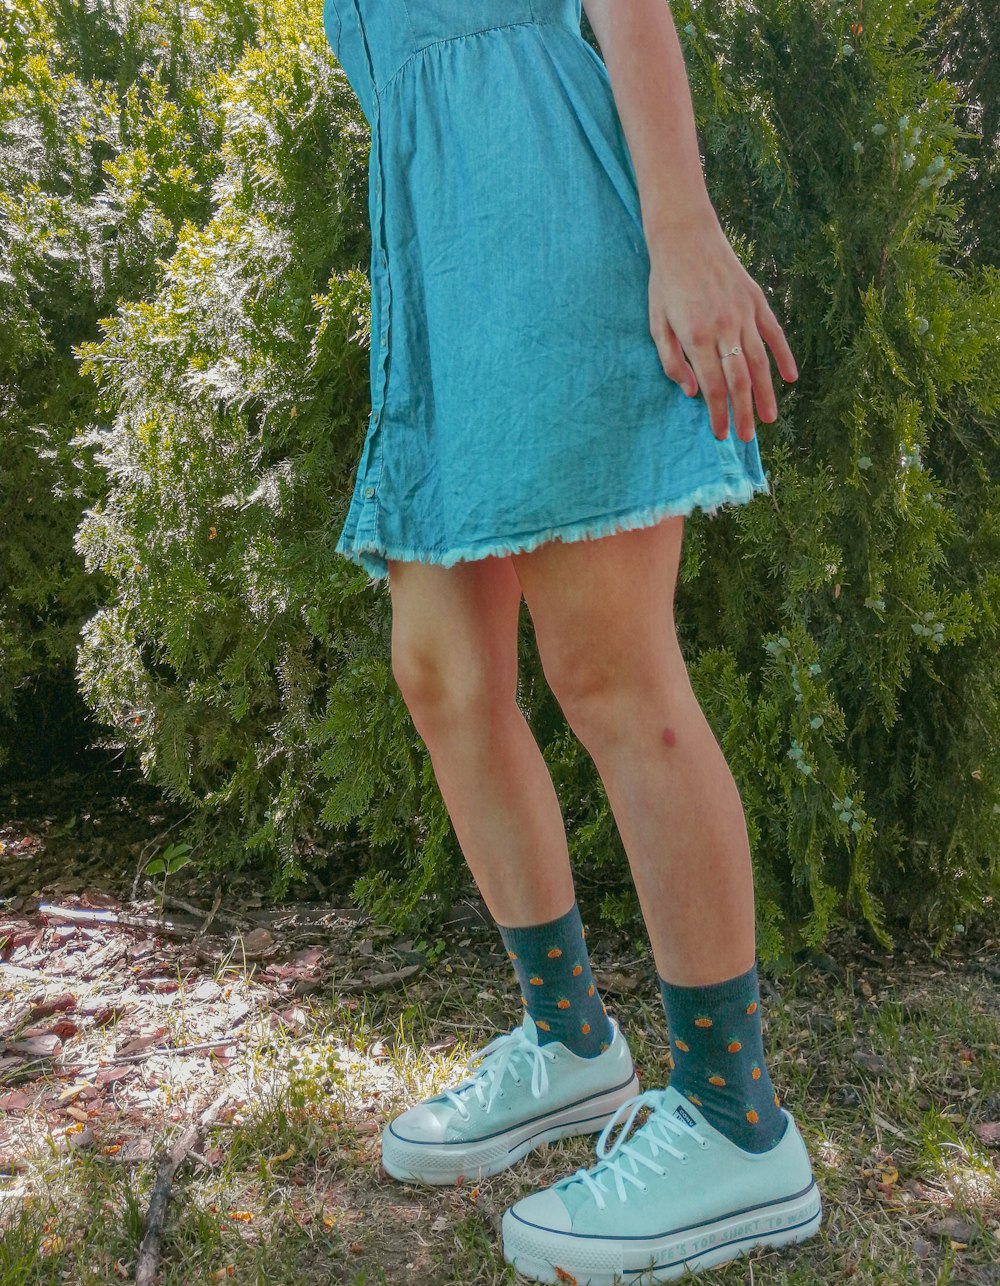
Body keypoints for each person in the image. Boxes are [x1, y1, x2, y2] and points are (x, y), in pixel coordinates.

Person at [322, 0, 823, 1280]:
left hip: (543, 198)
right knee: (442, 671)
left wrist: (683, 229)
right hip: (434, 242)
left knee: (607, 666)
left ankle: (735, 1122)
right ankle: (570, 1045)